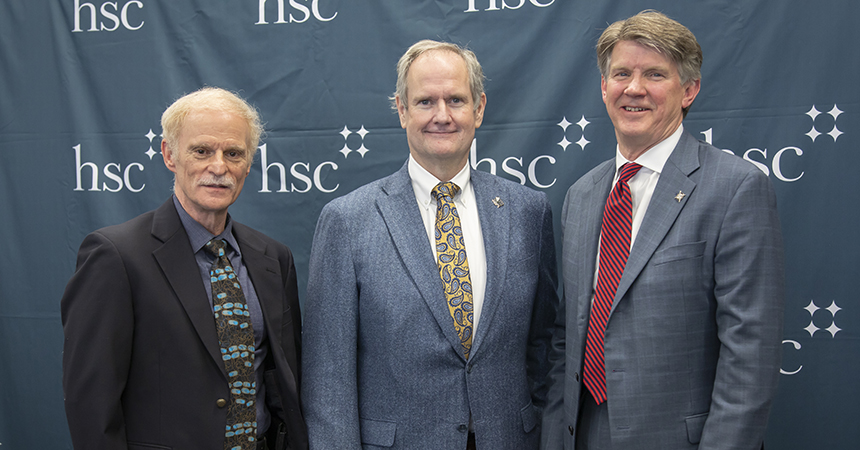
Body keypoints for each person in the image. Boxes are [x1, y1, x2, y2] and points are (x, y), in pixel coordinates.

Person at [541, 10, 785, 450]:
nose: (634, 88)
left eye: (654, 74)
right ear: (604, 87)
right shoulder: (581, 196)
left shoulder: (735, 188)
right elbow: (567, 336)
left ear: (689, 90)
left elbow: (749, 355)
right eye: (622, 74)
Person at [301, 40, 559, 450]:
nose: (442, 115)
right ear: (402, 110)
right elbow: (328, 377)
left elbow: (544, 346)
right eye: (425, 102)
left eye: (456, 100)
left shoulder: (528, 211)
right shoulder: (348, 221)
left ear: (479, 108)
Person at [61, 87, 307, 450]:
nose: (219, 167)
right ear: (169, 154)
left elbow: (284, 383)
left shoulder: (273, 258)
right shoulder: (116, 256)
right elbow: (91, 406)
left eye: (233, 153)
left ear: (248, 162)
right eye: (202, 151)